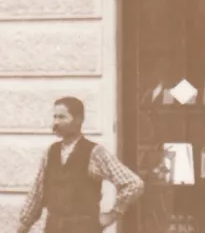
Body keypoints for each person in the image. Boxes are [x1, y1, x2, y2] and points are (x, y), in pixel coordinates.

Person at [17, 97, 145, 233]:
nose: (56, 122)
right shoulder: (51, 152)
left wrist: (113, 214)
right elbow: (38, 193)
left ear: (78, 120)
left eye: (62, 117)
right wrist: (24, 225)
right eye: (55, 117)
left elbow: (134, 184)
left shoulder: (95, 152)